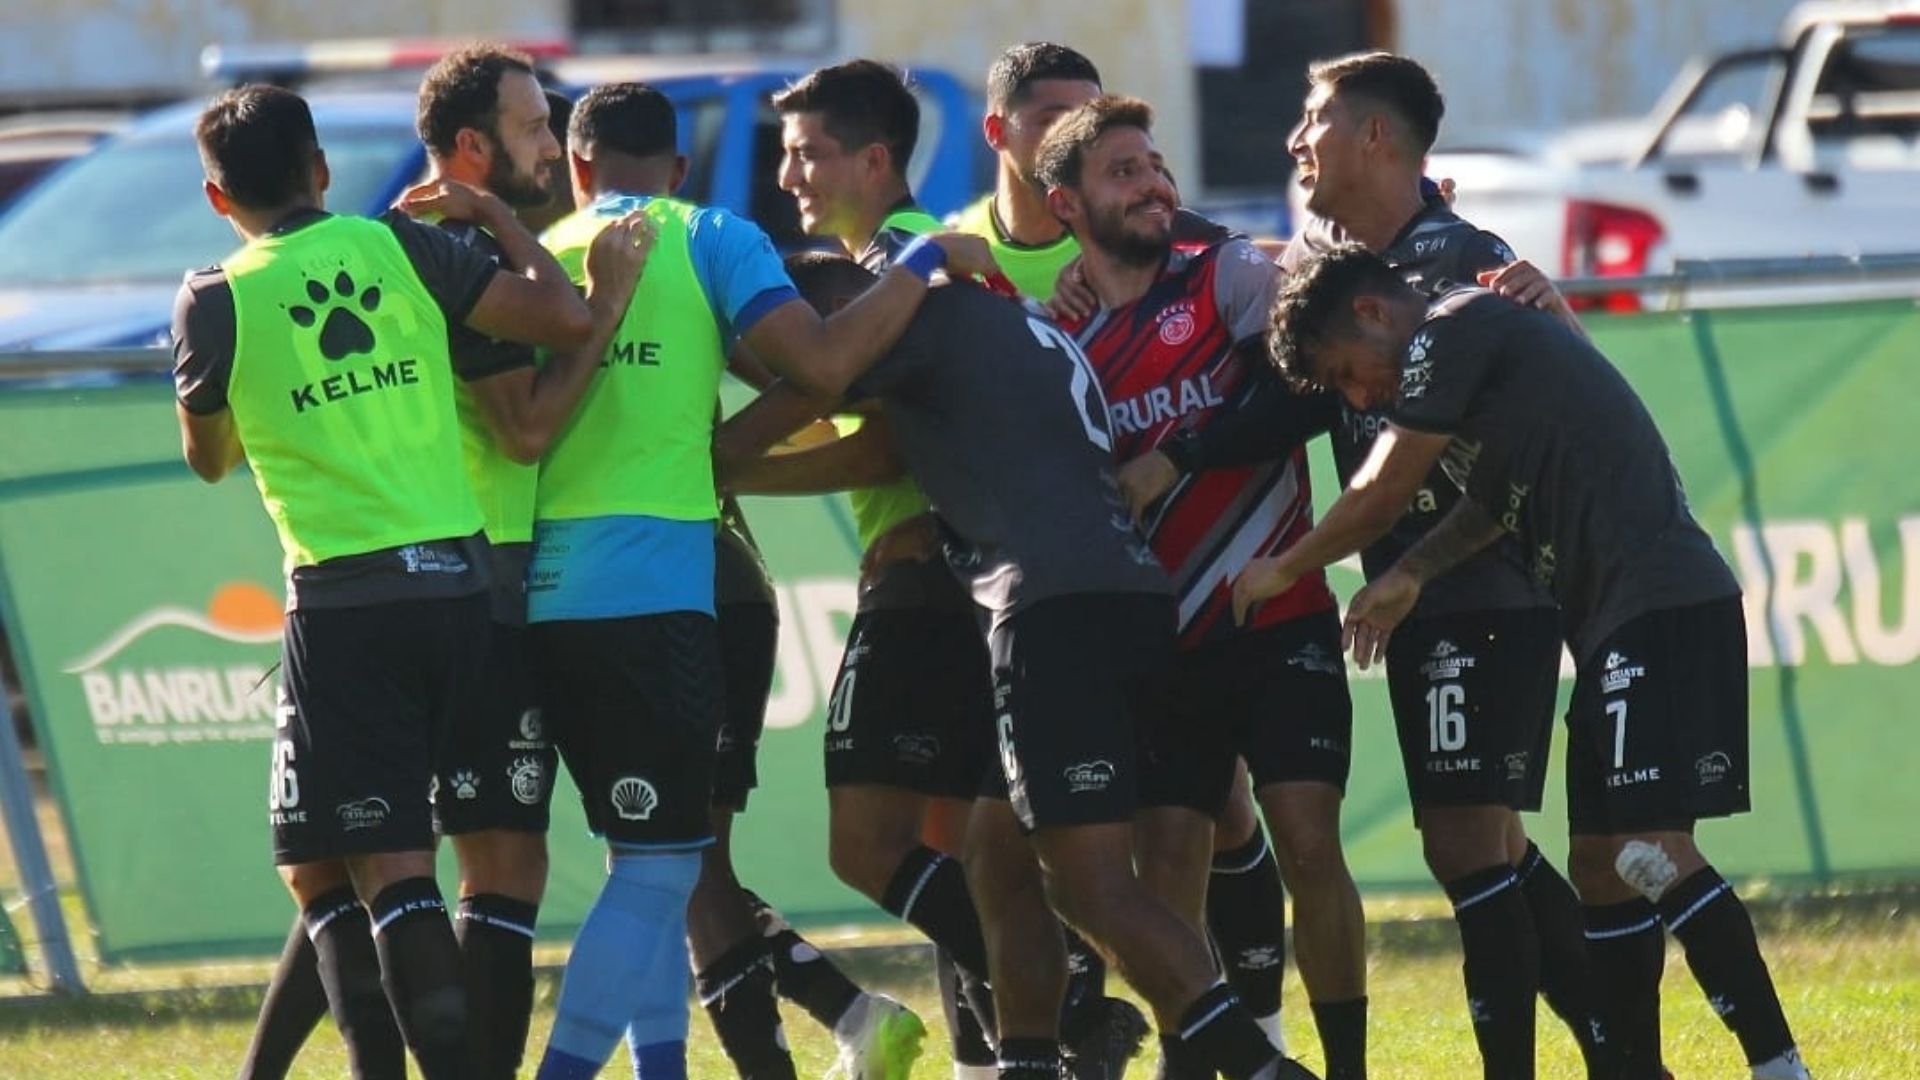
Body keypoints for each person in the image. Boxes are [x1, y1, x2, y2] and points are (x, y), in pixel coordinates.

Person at [721, 252, 1318, 1080]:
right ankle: (1031, 1062)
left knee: (1090, 889)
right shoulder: (1002, 318)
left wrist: (706, 457)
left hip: (1049, 612)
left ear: (847, 310)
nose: (782, 357)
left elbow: (818, 377)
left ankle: (1262, 1069)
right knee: (997, 858)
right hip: (1128, 595)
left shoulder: (918, 321)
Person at [1127, 52, 1603, 1079]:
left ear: (1374, 136)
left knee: (1471, 845)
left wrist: (1296, 551)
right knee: (1486, 848)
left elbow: (1529, 414)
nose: (1296, 138)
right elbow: (1298, 395)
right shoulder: (1330, 259)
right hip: (1411, 588)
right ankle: (1624, 1047)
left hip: (1478, 574)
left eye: (1313, 118)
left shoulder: (1462, 258)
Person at [524, 81, 994, 1080]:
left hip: (554, 594)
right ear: (680, 169)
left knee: (661, 863)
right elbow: (818, 373)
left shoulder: (530, 263)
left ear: (573, 167)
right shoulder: (709, 237)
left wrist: (725, 453)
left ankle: (798, 1040)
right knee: (670, 867)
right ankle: (867, 1017)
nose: (791, 174)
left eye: (809, 151)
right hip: (685, 590)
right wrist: (730, 455)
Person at [1253, 242, 1813, 1080]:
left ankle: (1780, 1067)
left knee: (1651, 848)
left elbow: (1383, 489)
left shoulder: (1450, 326)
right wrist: (1408, 574)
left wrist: (1283, 568)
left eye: (1346, 375)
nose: (1359, 398)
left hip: (1658, 607)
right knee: (1601, 865)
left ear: (1373, 312)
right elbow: (1492, 506)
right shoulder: (1484, 372)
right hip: (1613, 626)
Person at [173, 83, 633, 1080]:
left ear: (218, 200)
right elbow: (560, 316)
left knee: (391, 875)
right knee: (483, 864)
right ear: (322, 169)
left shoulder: (214, 298)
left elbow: (208, 457)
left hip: (345, 610)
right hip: (465, 595)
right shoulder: (405, 248)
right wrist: (496, 217)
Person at [954, 45, 1294, 1062]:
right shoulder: (977, 261)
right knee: (1014, 847)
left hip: (1172, 600)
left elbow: (1280, 308)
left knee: (1212, 823)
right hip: (1070, 597)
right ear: (1010, 141)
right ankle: (1043, 1049)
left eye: (1136, 150)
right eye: (1063, 120)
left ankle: (1253, 1044)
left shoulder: (1188, 247)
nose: (1142, 177)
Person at [1031, 94, 1362, 1080]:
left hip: (1277, 612)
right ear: (1066, 204)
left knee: (1307, 839)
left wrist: (1173, 458)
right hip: (1163, 644)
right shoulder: (1067, 339)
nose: (1152, 184)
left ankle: (1346, 1069)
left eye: (1155, 164)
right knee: (1166, 864)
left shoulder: (1226, 273)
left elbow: (1300, 394)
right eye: (1123, 172)